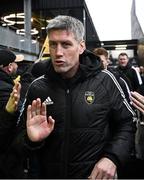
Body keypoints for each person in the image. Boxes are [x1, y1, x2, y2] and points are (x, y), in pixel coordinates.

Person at [14, 15, 136, 179]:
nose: (58, 52)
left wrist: (112, 157)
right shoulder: (37, 87)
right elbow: (16, 143)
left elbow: (127, 123)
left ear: (81, 46)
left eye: (66, 44)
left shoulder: (106, 81)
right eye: (53, 44)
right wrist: (31, 140)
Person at [0, 49, 23, 178]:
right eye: (15, 63)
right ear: (9, 67)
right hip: (5, 160)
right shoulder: (6, 90)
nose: (17, 66)